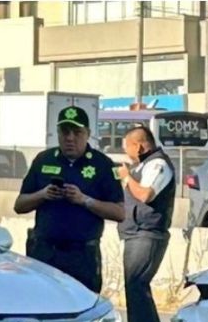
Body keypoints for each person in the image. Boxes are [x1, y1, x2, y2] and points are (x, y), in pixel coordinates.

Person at [14, 106, 125, 293]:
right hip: (45, 252)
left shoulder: (102, 165)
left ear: (88, 134)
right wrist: (42, 195)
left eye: (77, 132)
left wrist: (84, 200)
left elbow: (119, 213)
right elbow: (19, 205)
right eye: (65, 132)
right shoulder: (44, 160)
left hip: (81, 255)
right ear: (58, 134)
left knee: (82, 307)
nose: (70, 138)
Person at [117, 125, 176, 322]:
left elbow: (145, 195)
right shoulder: (142, 166)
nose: (128, 155)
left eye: (129, 149)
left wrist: (126, 177)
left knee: (137, 285)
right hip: (135, 233)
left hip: (148, 233)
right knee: (133, 288)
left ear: (140, 146)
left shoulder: (157, 165)